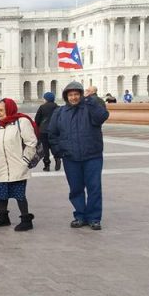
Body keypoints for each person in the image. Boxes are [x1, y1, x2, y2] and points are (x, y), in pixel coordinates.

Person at [48, 81, 110, 230]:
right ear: (66, 96)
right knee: (75, 188)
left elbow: (102, 116)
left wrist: (91, 101)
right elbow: (52, 133)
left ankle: (94, 218)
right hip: (70, 157)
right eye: (70, 95)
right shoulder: (60, 112)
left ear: (81, 95)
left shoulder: (90, 108)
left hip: (92, 155)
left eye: (76, 94)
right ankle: (80, 215)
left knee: (94, 188)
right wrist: (59, 151)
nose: (73, 97)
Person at [0, 98, 39, 231]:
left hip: (17, 166)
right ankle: (3, 217)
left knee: (19, 194)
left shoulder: (21, 122)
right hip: (0, 167)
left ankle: (26, 220)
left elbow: (31, 142)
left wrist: (25, 161)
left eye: (1, 110)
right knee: (0, 193)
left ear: (9, 109)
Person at [35, 92, 61, 172]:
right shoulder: (58, 107)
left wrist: (39, 126)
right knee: (54, 145)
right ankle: (57, 158)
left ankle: (47, 165)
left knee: (45, 148)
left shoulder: (42, 107)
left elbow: (37, 119)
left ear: (46, 99)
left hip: (44, 130)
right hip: (54, 130)